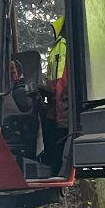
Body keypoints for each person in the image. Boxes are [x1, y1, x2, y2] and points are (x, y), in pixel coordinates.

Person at [39, 15, 68, 173]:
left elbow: (62, 83)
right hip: (56, 108)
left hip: (61, 109)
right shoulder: (58, 47)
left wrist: (61, 114)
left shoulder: (63, 46)